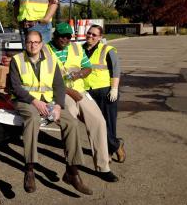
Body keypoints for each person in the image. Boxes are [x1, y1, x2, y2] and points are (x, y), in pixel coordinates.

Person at [9, 30, 92, 195]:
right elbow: (15, 87)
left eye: (36, 42)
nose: (32, 45)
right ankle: (30, 169)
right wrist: (34, 101)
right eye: (29, 42)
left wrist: (58, 106)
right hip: (25, 101)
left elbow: (59, 86)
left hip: (48, 101)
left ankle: (72, 171)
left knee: (71, 122)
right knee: (32, 119)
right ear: (25, 43)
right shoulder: (16, 60)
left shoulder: (50, 60)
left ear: (41, 44)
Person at [47, 23, 119, 182]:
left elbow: (88, 68)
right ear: (55, 35)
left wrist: (80, 74)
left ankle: (103, 167)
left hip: (80, 91)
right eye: (61, 36)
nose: (65, 39)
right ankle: (72, 168)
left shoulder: (77, 48)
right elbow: (43, 77)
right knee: (70, 122)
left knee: (99, 121)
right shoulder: (46, 50)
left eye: (68, 37)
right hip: (60, 93)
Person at [83, 24, 126, 163]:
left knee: (108, 124)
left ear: (100, 37)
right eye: (89, 33)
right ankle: (116, 144)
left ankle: (107, 152)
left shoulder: (107, 50)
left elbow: (116, 69)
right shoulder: (80, 49)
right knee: (96, 124)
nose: (90, 36)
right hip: (88, 92)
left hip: (105, 91)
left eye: (94, 34)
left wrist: (114, 88)